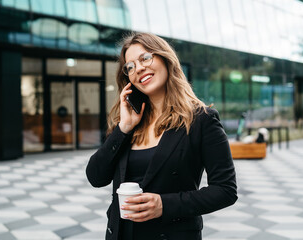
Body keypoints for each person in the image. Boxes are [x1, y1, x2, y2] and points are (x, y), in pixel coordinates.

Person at [86, 32, 237, 240]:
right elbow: (95, 177)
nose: (138, 68)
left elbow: (225, 190)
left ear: (165, 58)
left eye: (145, 58)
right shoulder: (129, 122)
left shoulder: (202, 120)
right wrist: (123, 128)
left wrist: (163, 205)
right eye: (130, 67)